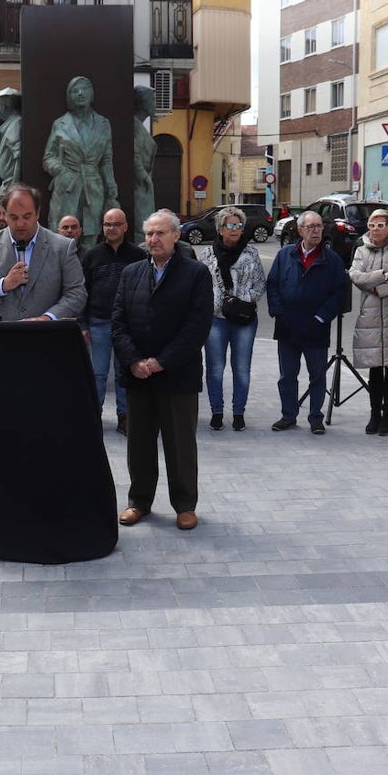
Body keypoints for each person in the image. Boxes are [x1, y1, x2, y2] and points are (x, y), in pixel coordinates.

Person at [111, 210, 214, 532]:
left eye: (159, 233)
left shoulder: (195, 274)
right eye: (149, 234)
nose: (152, 240)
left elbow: (197, 326)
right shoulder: (131, 273)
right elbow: (118, 323)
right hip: (138, 376)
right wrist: (134, 361)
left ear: (176, 235)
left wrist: (161, 361)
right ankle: (139, 502)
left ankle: (185, 506)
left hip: (177, 376)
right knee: (138, 444)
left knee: (180, 444)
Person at [266, 210, 347, 434]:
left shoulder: (331, 259)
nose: (316, 230)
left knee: (317, 376)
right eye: (311, 226)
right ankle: (288, 415)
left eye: (319, 226)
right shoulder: (285, 255)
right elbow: (272, 284)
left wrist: (321, 317)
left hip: (316, 328)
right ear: (300, 230)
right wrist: (278, 312)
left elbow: (340, 293)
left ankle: (315, 418)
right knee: (287, 376)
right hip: (287, 326)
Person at [0, 183, 87, 322]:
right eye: (13, 217)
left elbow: (77, 294)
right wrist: (3, 284)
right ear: (5, 215)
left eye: (26, 216)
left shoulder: (62, 247)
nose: (20, 224)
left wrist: (47, 318)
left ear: (37, 213)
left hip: (45, 337)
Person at [197, 206, 267, 432]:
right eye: (230, 225)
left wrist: (241, 300)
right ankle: (217, 412)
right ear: (220, 229)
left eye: (238, 225)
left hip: (244, 319)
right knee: (215, 368)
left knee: (242, 368)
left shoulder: (251, 253)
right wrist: (216, 303)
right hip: (216, 319)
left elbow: (260, 285)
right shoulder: (207, 254)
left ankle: (239, 413)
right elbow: (200, 285)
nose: (235, 229)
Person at [347, 209, 388, 436]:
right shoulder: (361, 249)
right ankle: (375, 414)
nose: (375, 229)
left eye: (380, 225)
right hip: (371, 316)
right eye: (372, 225)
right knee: (374, 369)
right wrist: (385, 275)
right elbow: (356, 276)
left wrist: (378, 287)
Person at [80, 207, 145, 436]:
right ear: (102, 227)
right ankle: (93, 417)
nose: (112, 228)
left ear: (125, 226)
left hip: (127, 325)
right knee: (97, 374)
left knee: (122, 372)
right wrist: (83, 325)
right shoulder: (92, 255)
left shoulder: (138, 255)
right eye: (108, 224)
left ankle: (124, 417)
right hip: (98, 322)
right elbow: (83, 293)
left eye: (116, 224)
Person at [43, 76, 118, 246]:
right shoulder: (60, 124)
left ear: (92, 94)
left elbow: (106, 160)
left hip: (93, 186)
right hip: (67, 187)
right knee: (62, 239)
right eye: (74, 90)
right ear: (69, 96)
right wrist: (62, 172)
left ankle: (88, 272)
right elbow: (48, 157)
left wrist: (111, 185)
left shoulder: (103, 124)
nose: (80, 93)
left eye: (84, 89)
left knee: (90, 238)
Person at [132, 85, 158, 243]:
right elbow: (134, 154)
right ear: (143, 103)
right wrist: (143, 176)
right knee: (142, 227)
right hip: (140, 185)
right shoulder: (134, 126)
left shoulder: (139, 126)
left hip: (144, 185)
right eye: (152, 100)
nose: (155, 104)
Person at [0, 87, 22, 194]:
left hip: (11, 186)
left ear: (5, 107)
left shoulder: (14, 124)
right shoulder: (8, 125)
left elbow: (18, 157)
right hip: (7, 184)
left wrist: (15, 187)